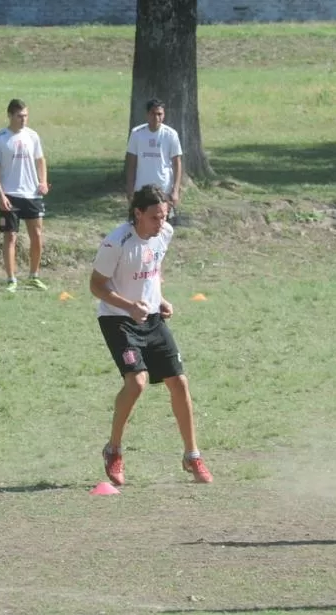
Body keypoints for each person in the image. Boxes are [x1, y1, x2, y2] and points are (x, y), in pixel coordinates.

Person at [90, 185, 212, 485]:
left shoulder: (164, 234)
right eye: (155, 217)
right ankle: (114, 450)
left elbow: (152, 269)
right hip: (118, 319)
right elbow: (96, 286)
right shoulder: (116, 242)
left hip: (151, 316)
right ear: (138, 213)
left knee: (179, 382)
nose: (162, 223)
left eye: (164, 216)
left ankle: (192, 456)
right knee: (137, 382)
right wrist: (129, 306)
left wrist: (160, 298)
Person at [0, 98, 49, 293]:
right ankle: (11, 279)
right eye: (20, 116)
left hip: (32, 194)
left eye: (26, 116)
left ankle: (34, 276)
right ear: (10, 116)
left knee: (37, 235)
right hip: (10, 194)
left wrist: (43, 182)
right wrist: (0, 196)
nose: (24, 119)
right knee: (10, 237)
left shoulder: (33, 136)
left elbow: (40, 161)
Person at [126, 98, 183, 223]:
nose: (156, 117)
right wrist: (130, 189)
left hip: (163, 188)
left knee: (162, 225)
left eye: (159, 114)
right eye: (153, 113)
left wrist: (175, 190)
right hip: (141, 188)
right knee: (140, 224)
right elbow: (131, 163)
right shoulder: (137, 133)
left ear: (164, 115)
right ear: (147, 114)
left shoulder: (171, 134)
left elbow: (177, 163)